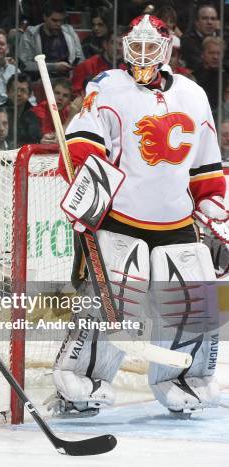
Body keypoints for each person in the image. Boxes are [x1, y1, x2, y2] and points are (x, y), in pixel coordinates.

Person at [49, 15, 224, 419]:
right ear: (126, 47)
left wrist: (213, 205)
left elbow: (205, 164)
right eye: (136, 46)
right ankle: (83, 378)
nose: (143, 55)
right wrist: (86, 193)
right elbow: (83, 142)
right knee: (115, 300)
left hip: (177, 221)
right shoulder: (108, 86)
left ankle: (182, 377)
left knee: (189, 300)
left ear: (168, 49)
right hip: (121, 217)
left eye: (152, 46)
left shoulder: (194, 95)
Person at [18, 0, 83, 78]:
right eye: (54, 20)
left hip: (67, 81)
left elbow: (80, 59)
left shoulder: (70, 32)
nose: (58, 24)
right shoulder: (30, 34)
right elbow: (25, 65)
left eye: (61, 21)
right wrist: (53, 67)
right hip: (40, 80)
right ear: (45, 17)